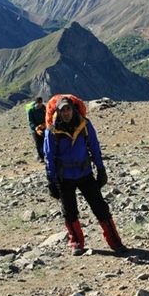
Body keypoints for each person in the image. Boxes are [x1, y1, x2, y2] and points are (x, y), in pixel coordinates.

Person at [44, 97, 127, 255]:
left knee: (100, 208)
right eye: (62, 110)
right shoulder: (52, 131)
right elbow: (49, 157)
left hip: (85, 173)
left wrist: (101, 169)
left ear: (73, 109)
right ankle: (76, 243)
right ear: (58, 112)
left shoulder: (85, 125)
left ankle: (115, 243)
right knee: (69, 212)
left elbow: (94, 146)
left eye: (68, 109)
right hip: (64, 177)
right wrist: (51, 181)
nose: (66, 113)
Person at [27, 96, 46, 162]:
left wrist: (43, 125)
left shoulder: (44, 109)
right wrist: (36, 128)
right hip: (35, 130)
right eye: (38, 102)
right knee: (38, 143)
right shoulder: (31, 111)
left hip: (44, 128)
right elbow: (31, 121)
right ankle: (41, 157)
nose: (40, 104)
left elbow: (47, 118)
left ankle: (44, 155)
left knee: (44, 142)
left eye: (41, 102)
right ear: (36, 103)